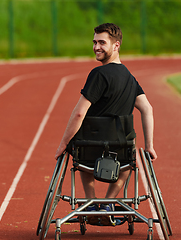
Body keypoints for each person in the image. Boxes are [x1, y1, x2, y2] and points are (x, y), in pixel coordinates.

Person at [55, 23, 157, 224]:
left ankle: (92, 201)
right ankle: (109, 201)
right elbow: (147, 109)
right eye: (94, 42)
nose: (96, 47)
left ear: (116, 45)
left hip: (89, 153)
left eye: (102, 42)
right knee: (131, 154)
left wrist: (62, 144)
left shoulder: (98, 74)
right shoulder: (129, 77)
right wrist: (150, 145)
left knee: (78, 147)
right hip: (121, 155)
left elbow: (79, 114)